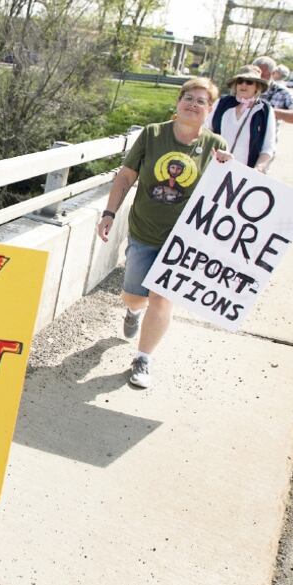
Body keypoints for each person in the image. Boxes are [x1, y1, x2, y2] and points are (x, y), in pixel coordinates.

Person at [97, 78, 232, 389]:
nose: (193, 104)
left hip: (183, 240)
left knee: (162, 297)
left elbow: (226, 195)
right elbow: (126, 175)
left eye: (201, 101)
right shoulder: (153, 134)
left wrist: (229, 168)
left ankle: (143, 358)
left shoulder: (216, 145)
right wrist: (109, 213)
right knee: (135, 295)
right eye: (188, 98)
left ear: (209, 110)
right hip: (144, 230)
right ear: (178, 102)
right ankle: (133, 311)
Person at [206, 64, 276, 173]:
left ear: (257, 86)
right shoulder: (222, 103)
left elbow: (268, 148)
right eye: (240, 81)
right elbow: (206, 131)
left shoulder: (265, 110)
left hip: (243, 174)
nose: (243, 84)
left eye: (249, 82)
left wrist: (257, 169)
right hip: (213, 167)